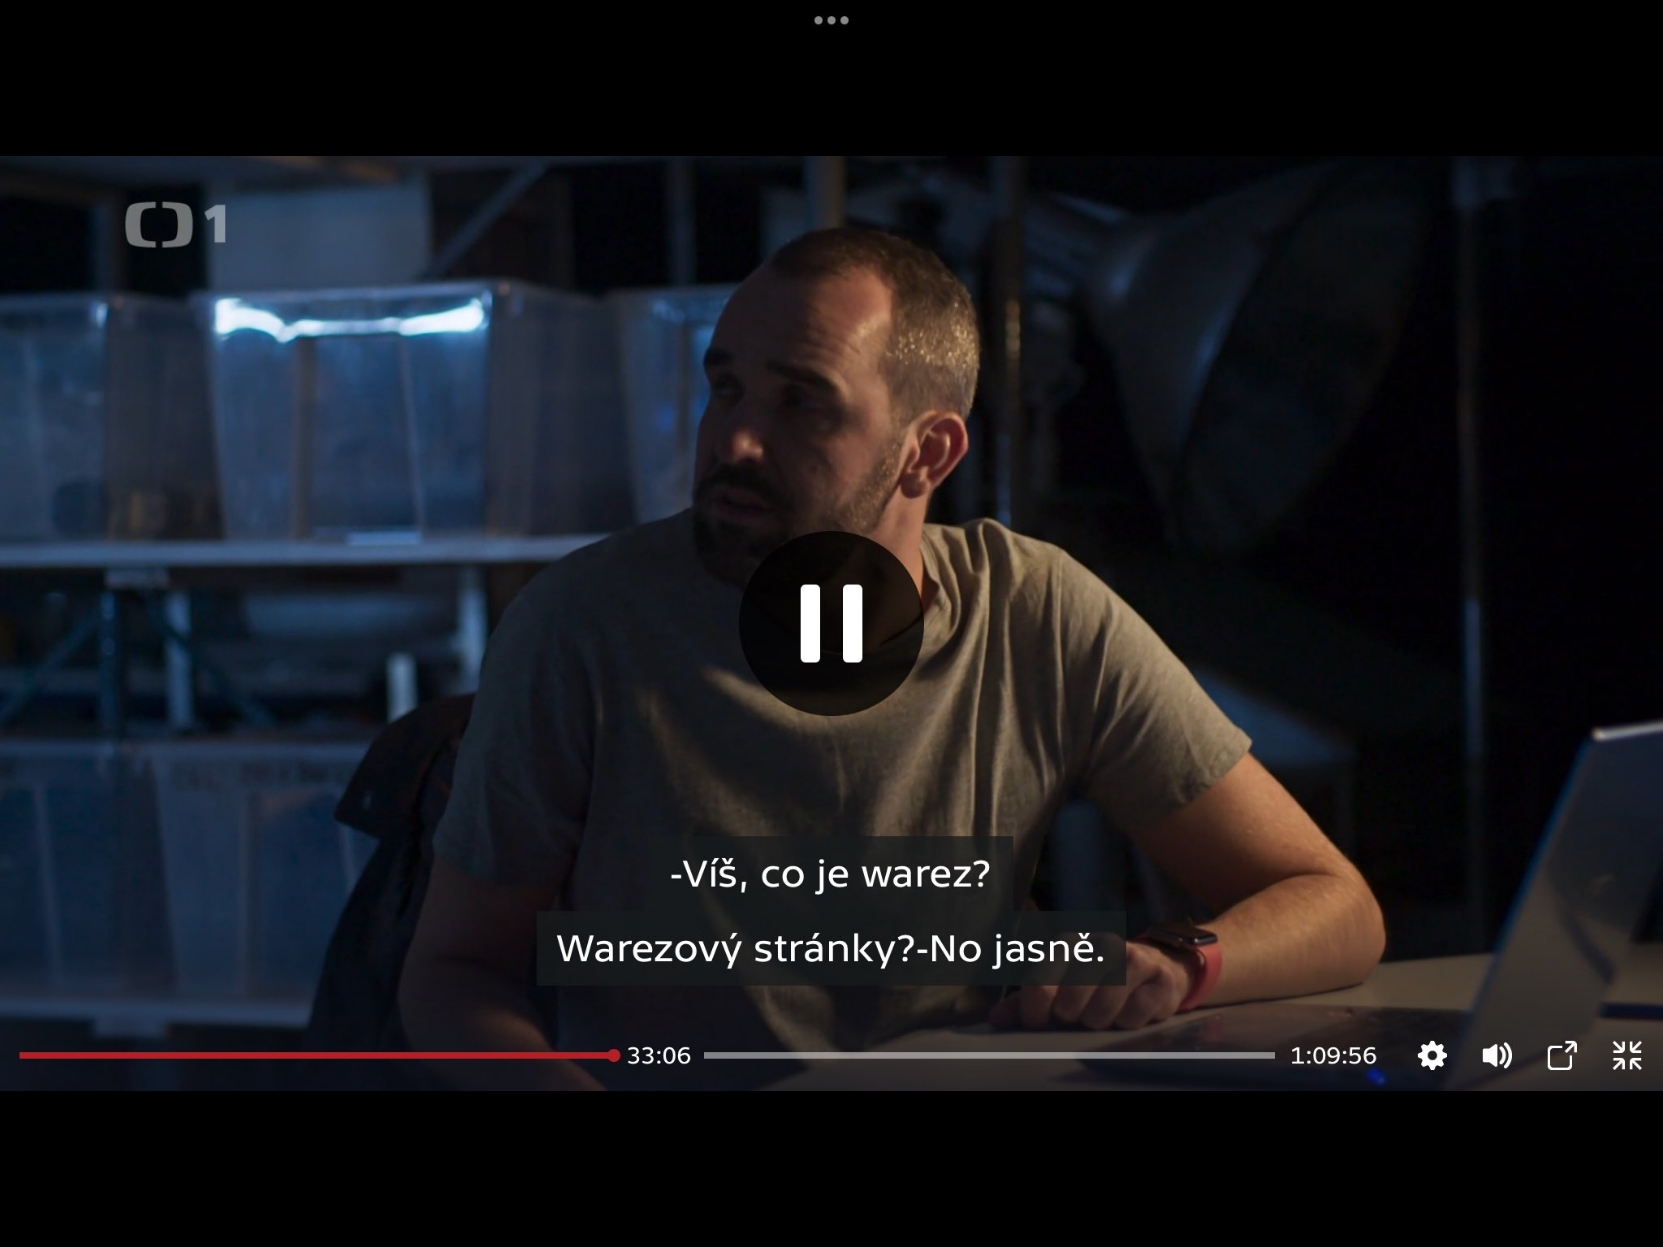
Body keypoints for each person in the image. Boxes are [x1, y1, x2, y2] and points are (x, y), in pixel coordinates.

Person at [398, 227, 1387, 1090]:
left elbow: (1335, 904)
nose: (735, 440)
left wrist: (1175, 963)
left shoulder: (1033, 611)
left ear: (928, 453)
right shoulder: (583, 623)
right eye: (726, 387)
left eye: (802, 404)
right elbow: (454, 972)